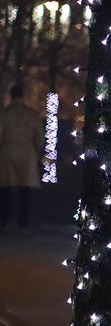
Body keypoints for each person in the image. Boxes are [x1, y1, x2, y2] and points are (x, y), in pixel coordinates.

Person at [0, 83, 45, 233]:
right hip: (27, 153)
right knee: (25, 190)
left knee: (6, 189)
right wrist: (38, 153)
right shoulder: (32, 114)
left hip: (8, 151)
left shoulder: (4, 114)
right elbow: (39, 137)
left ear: (11, 96)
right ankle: (23, 223)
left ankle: (5, 221)